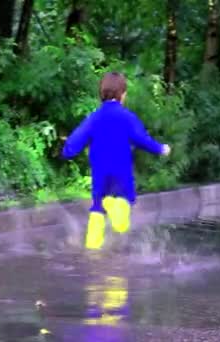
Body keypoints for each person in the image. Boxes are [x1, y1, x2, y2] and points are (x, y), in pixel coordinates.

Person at [61, 72, 171, 250]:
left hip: (100, 173)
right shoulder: (127, 117)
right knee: (121, 224)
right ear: (123, 94)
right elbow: (142, 139)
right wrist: (161, 148)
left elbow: (75, 140)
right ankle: (111, 205)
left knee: (97, 211)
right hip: (121, 174)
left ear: (101, 94)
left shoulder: (94, 117)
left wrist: (66, 152)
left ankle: (92, 251)